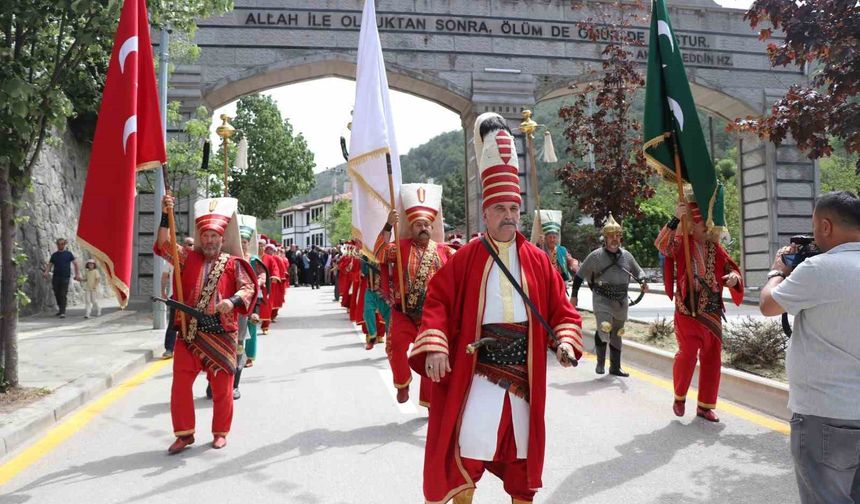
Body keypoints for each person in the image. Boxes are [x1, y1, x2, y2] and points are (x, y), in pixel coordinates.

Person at [409, 112, 583, 503]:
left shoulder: (538, 260)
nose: (509, 217)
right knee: (467, 453)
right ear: (485, 213)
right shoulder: (465, 258)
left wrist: (566, 342)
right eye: (501, 209)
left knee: (522, 465)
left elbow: (562, 312)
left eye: (514, 210)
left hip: (525, 373)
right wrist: (436, 345)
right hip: (479, 373)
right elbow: (437, 302)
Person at [758, 191, 860, 504]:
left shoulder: (819, 269)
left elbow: (768, 305)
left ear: (826, 226)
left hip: (825, 413)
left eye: (814, 227)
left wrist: (778, 270)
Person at [155, 195, 258, 453]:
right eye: (206, 236)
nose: (210, 240)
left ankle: (220, 432)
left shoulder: (234, 263)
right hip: (189, 333)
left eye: (214, 236)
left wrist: (233, 302)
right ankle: (184, 434)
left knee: (222, 389)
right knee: (180, 386)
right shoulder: (188, 258)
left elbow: (247, 288)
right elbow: (163, 243)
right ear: (200, 238)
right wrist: (166, 213)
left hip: (221, 334)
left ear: (223, 239)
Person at [654, 192, 743, 422]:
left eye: (710, 225)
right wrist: (675, 219)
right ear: (692, 226)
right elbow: (662, 246)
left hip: (712, 312)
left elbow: (732, 269)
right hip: (688, 311)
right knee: (687, 355)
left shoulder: (716, 249)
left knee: (713, 358)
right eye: (704, 224)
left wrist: (733, 277)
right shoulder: (683, 244)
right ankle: (680, 396)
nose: (709, 229)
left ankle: (705, 406)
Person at [375, 183, 455, 405]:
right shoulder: (399, 248)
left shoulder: (445, 251)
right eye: (419, 224)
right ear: (412, 226)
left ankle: (430, 402)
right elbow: (379, 253)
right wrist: (388, 225)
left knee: (433, 353)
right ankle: (402, 382)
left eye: (427, 225)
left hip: (432, 316)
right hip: (403, 312)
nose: (423, 228)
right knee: (394, 346)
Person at [571, 213, 647, 376]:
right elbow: (580, 275)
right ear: (605, 238)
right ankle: (600, 363)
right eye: (611, 236)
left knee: (617, 333)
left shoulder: (626, 255)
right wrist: (574, 295)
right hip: (602, 299)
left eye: (617, 236)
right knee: (605, 328)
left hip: (621, 299)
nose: (614, 239)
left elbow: (638, 270)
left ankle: (615, 367)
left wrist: (642, 280)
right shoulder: (595, 256)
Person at [162, 236, 194, 359]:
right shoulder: (172, 258)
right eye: (186, 244)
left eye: (191, 244)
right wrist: (162, 290)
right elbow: (164, 275)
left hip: (191, 299)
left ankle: (190, 348)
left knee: (191, 324)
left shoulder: (196, 261)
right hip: (175, 297)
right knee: (173, 323)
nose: (188, 246)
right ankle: (169, 349)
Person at [533, 209, 579, 283]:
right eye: (550, 237)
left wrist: (574, 264)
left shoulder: (562, 250)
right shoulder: (540, 248)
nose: (552, 240)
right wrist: (538, 244)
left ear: (557, 238)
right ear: (545, 238)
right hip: (544, 282)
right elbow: (532, 255)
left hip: (560, 281)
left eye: (554, 237)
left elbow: (570, 259)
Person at [44, 238, 81, 318]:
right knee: (57, 293)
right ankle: (60, 309)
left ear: (64, 244)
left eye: (62, 244)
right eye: (59, 244)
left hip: (65, 277)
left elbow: (75, 264)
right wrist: (46, 272)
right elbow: (50, 264)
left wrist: (77, 274)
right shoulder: (54, 255)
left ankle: (63, 312)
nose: (61, 245)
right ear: (57, 245)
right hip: (56, 277)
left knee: (63, 294)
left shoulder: (68, 254)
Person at [360, 254, 390, 350]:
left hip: (385, 291)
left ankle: (390, 344)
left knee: (389, 320)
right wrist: (364, 259)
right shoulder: (366, 254)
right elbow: (364, 272)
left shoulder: (388, 252)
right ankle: (372, 336)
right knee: (367, 312)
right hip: (371, 290)